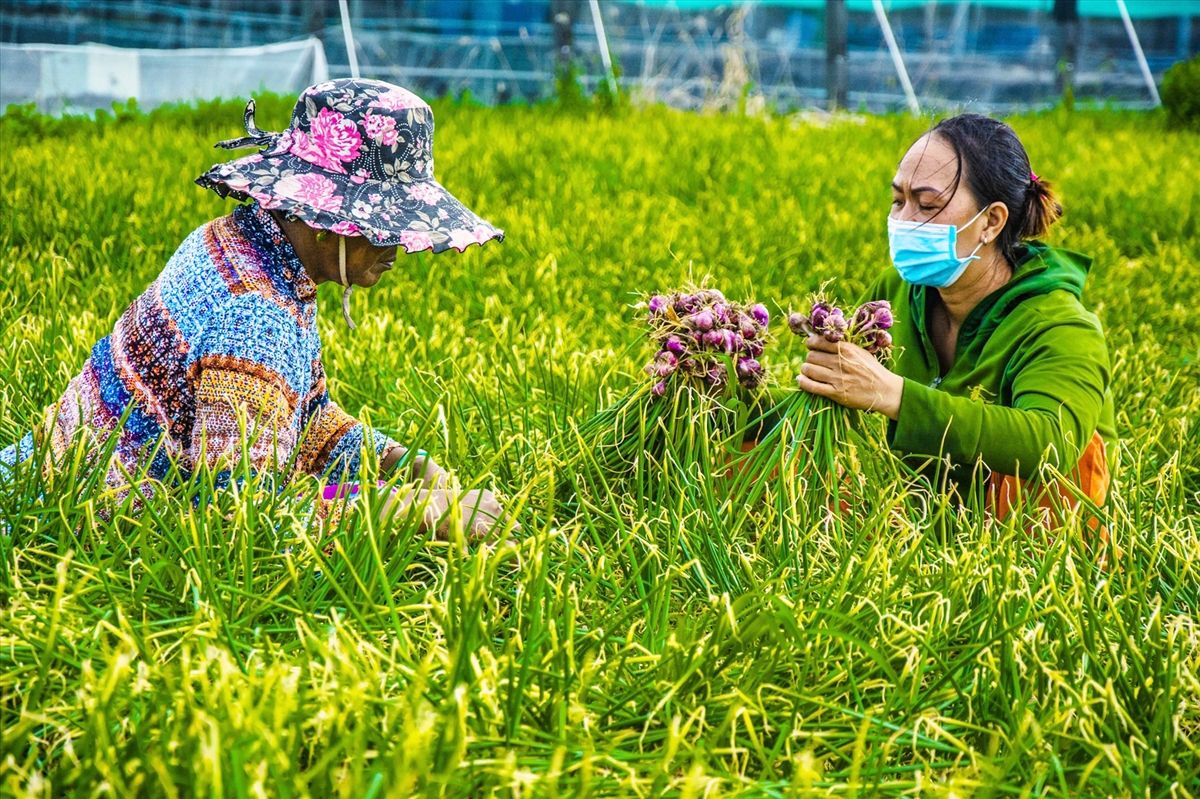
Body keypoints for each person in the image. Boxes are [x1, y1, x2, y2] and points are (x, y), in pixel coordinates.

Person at [0, 79, 514, 539]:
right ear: (322, 217)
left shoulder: (243, 245)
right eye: (384, 227)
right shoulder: (258, 315)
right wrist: (415, 510)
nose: (397, 246)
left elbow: (299, 415)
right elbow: (241, 512)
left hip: (37, 478)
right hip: (65, 523)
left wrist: (399, 462)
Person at [797, 113, 1116, 519]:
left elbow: (1053, 444)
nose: (903, 221)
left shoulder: (1058, 324)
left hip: (1026, 537)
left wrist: (895, 396)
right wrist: (735, 389)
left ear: (991, 222)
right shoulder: (894, 293)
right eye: (898, 201)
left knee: (1066, 458)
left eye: (927, 205)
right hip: (912, 512)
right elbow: (827, 403)